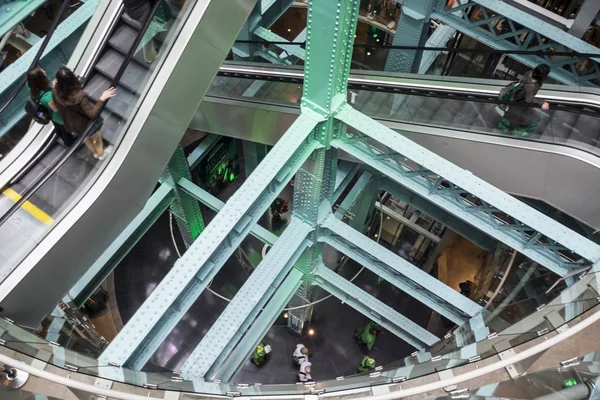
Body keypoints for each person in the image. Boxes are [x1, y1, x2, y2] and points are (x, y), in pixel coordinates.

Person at [52, 66, 115, 160]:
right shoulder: (79, 96)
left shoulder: (55, 92)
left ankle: (95, 153)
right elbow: (92, 114)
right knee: (97, 138)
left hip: (72, 124)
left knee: (85, 138)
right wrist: (102, 98)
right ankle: (101, 154)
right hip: (85, 124)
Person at [27, 67, 75, 147]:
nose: (45, 72)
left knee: (58, 127)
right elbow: (56, 109)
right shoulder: (48, 96)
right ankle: (69, 142)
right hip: (58, 116)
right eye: (43, 73)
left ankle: (62, 137)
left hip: (49, 113)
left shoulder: (30, 86)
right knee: (64, 129)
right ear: (40, 79)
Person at [498, 65, 551, 137]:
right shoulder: (531, 87)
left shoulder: (529, 73)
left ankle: (501, 130)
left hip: (512, 100)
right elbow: (528, 100)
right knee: (534, 120)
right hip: (519, 106)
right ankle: (517, 135)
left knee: (507, 119)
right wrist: (542, 102)